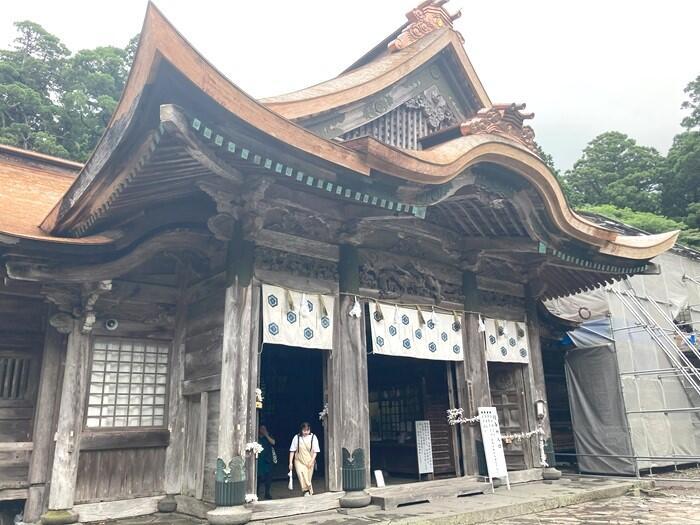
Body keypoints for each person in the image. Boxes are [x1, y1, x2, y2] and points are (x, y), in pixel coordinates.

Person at [288, 422, 320, 496]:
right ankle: (306, 491)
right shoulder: (297, 437)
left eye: (307, 430)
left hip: (309, 460)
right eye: (304, 430)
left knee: (308, 478)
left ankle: (308, 490)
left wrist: (312, 461)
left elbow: (316, 451)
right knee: (301, 475)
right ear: (301, 430)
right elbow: (292, 450)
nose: (306, 432)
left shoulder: (313, 437)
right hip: (299, 460)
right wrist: (290, 462)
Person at [257, 424, 276, 500]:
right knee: (258, 477)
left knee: (268, 477)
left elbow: (273, 442)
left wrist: (266, 435)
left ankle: (267, 493)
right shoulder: (256, 436)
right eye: (261, 429)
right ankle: (256, 492)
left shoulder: (268, 436)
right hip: (259, 459)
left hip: (267, 459)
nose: (263, 430)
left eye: (264, 429)